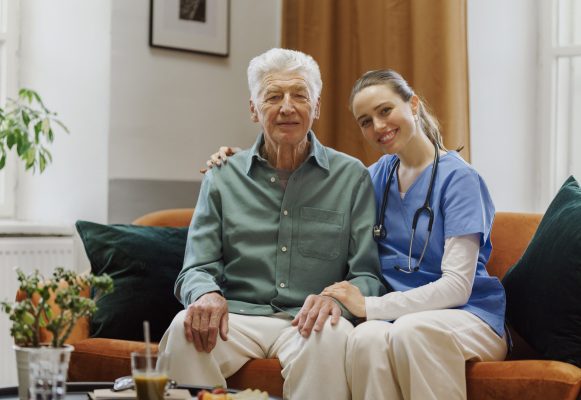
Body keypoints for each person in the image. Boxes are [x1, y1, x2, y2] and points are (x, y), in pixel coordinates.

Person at [207, 69, 509, 400]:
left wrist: (369, 305)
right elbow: (312, 187)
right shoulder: (375, 176)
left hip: (466, 316)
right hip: (397, 318)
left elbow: (457, 288)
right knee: (362, 339)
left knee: (410, 330)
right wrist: (248, 162)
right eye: (365, 121)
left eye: (385, 110)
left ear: (414, 105)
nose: (378, 126)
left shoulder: (460, 179)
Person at [159, 48, 386, 400]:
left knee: (333, 335)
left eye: (299, 95)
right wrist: (204, 293)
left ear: (317, 107)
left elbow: (368, 275)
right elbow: (196, 268)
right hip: (236, 318)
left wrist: (337, 304)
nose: (287, 107)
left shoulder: (351, 176)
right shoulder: (222, 176)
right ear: (254, 109)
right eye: (273, 96)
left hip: (309, 322)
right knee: (182, 331)